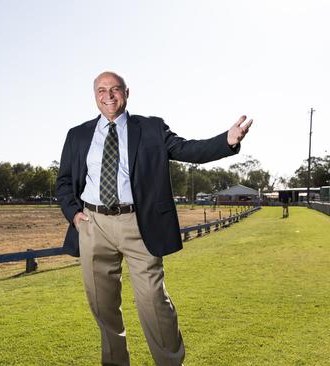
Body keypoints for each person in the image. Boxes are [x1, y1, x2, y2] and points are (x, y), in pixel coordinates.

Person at [56, 71, 252, 366]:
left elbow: (188, 149)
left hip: (138, 224)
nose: (108, 95)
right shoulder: (78, 135)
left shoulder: (150, 128)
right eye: (101, 90)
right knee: (103, 306)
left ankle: (171, 362)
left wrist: (226, 140)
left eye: (115, 89)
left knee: (153, 301)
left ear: (127, 92)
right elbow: (64, 182)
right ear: (94, 95)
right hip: (92, 225)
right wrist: (74, 216)